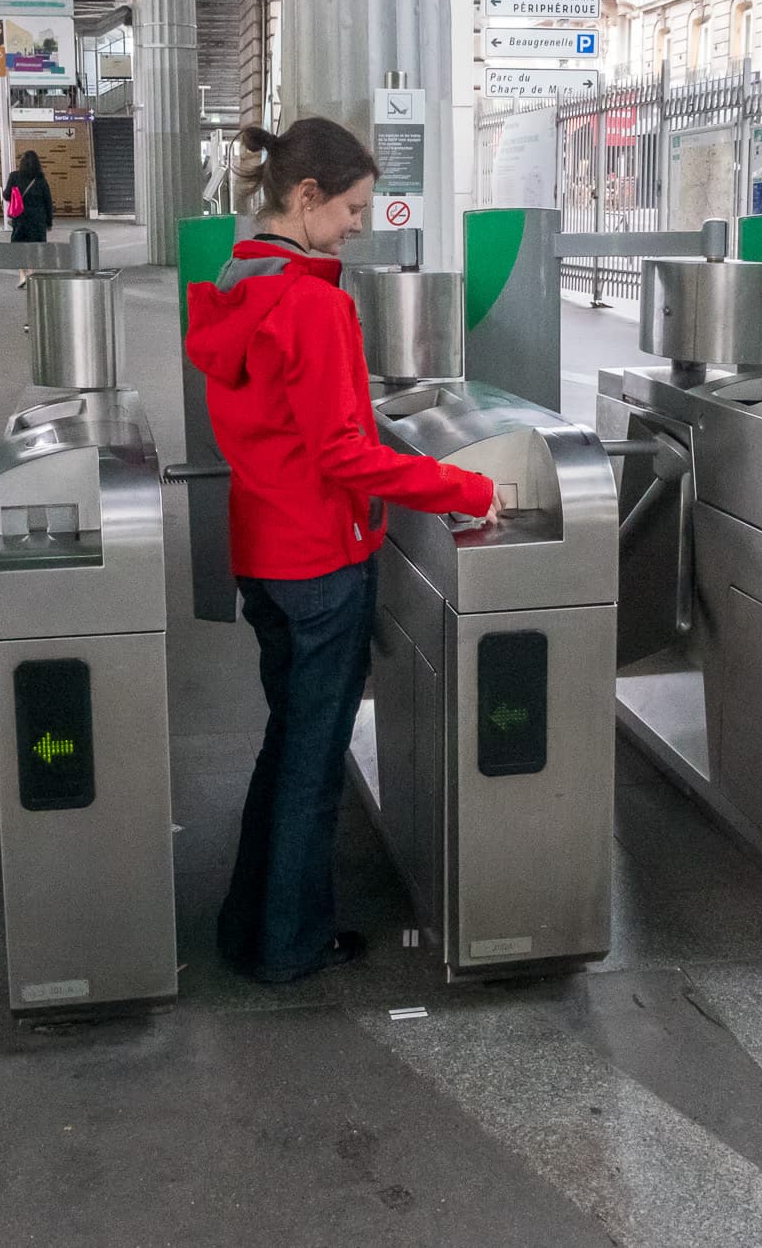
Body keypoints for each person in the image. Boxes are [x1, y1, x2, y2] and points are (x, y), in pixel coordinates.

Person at [184, 117, 499, 985]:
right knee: (313, 767)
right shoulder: (311, 302)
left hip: (261, 551)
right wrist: (469, 490)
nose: (362, 223)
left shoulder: (237, 283)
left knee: (285, 745)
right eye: (353, 207)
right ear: (306, 196)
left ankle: (249, 927)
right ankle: (291, 945)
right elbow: (344, 453)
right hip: (321, 560)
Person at [4, 149, 53, 242]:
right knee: (38, 249)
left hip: (20, 219)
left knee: (19, 248)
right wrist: (49, 222)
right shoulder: (40, 180)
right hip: (38, 221)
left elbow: (7, 195)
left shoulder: (14, 177)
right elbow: (48, 202)